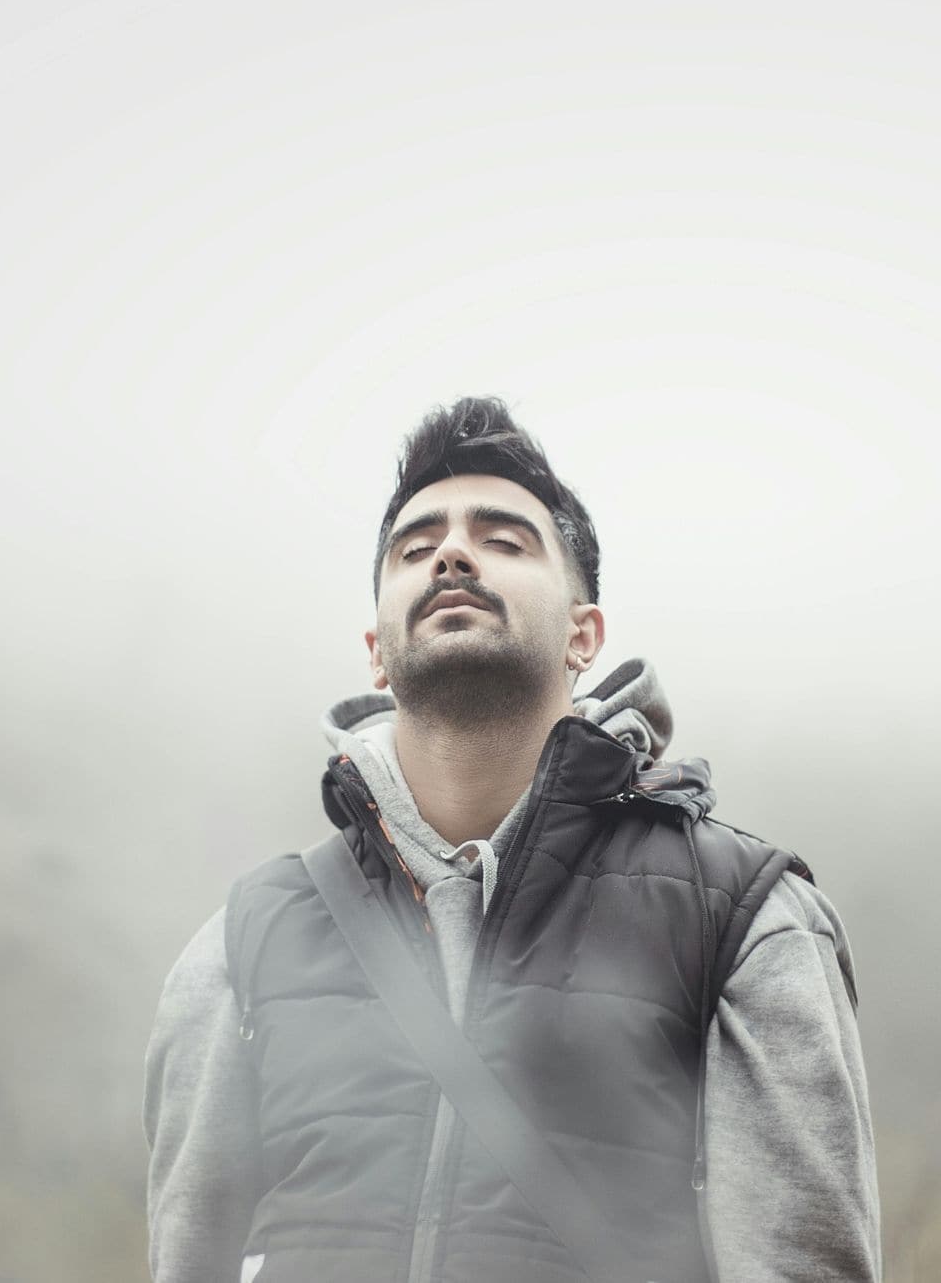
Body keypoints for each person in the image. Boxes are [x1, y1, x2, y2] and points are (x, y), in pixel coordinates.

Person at [143, 397, 880, 1282]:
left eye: (502, 539)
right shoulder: (242, 941)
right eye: (415, 548)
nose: (451, 554)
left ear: (583, 633)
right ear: (376, 649)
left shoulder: (747, 917)